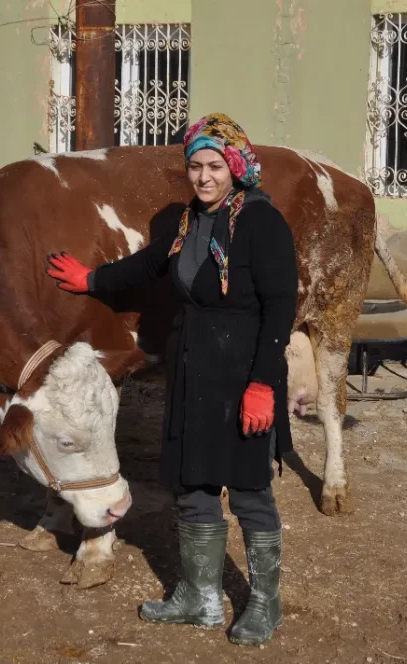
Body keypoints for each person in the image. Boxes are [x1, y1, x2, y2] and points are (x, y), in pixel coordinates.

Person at [45, 112, 298, 646]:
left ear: (235, 166)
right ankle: (201, 599)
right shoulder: (188, 222)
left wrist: (262, 385)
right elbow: (147, 265)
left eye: (213, 166)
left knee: (250, 489)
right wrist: (90, 279)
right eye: (195, 167)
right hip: (194, 367)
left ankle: (266, 601)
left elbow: (280, 308)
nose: (203, 177)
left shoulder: (259, 221)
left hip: (244, 367)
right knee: (192, 483)